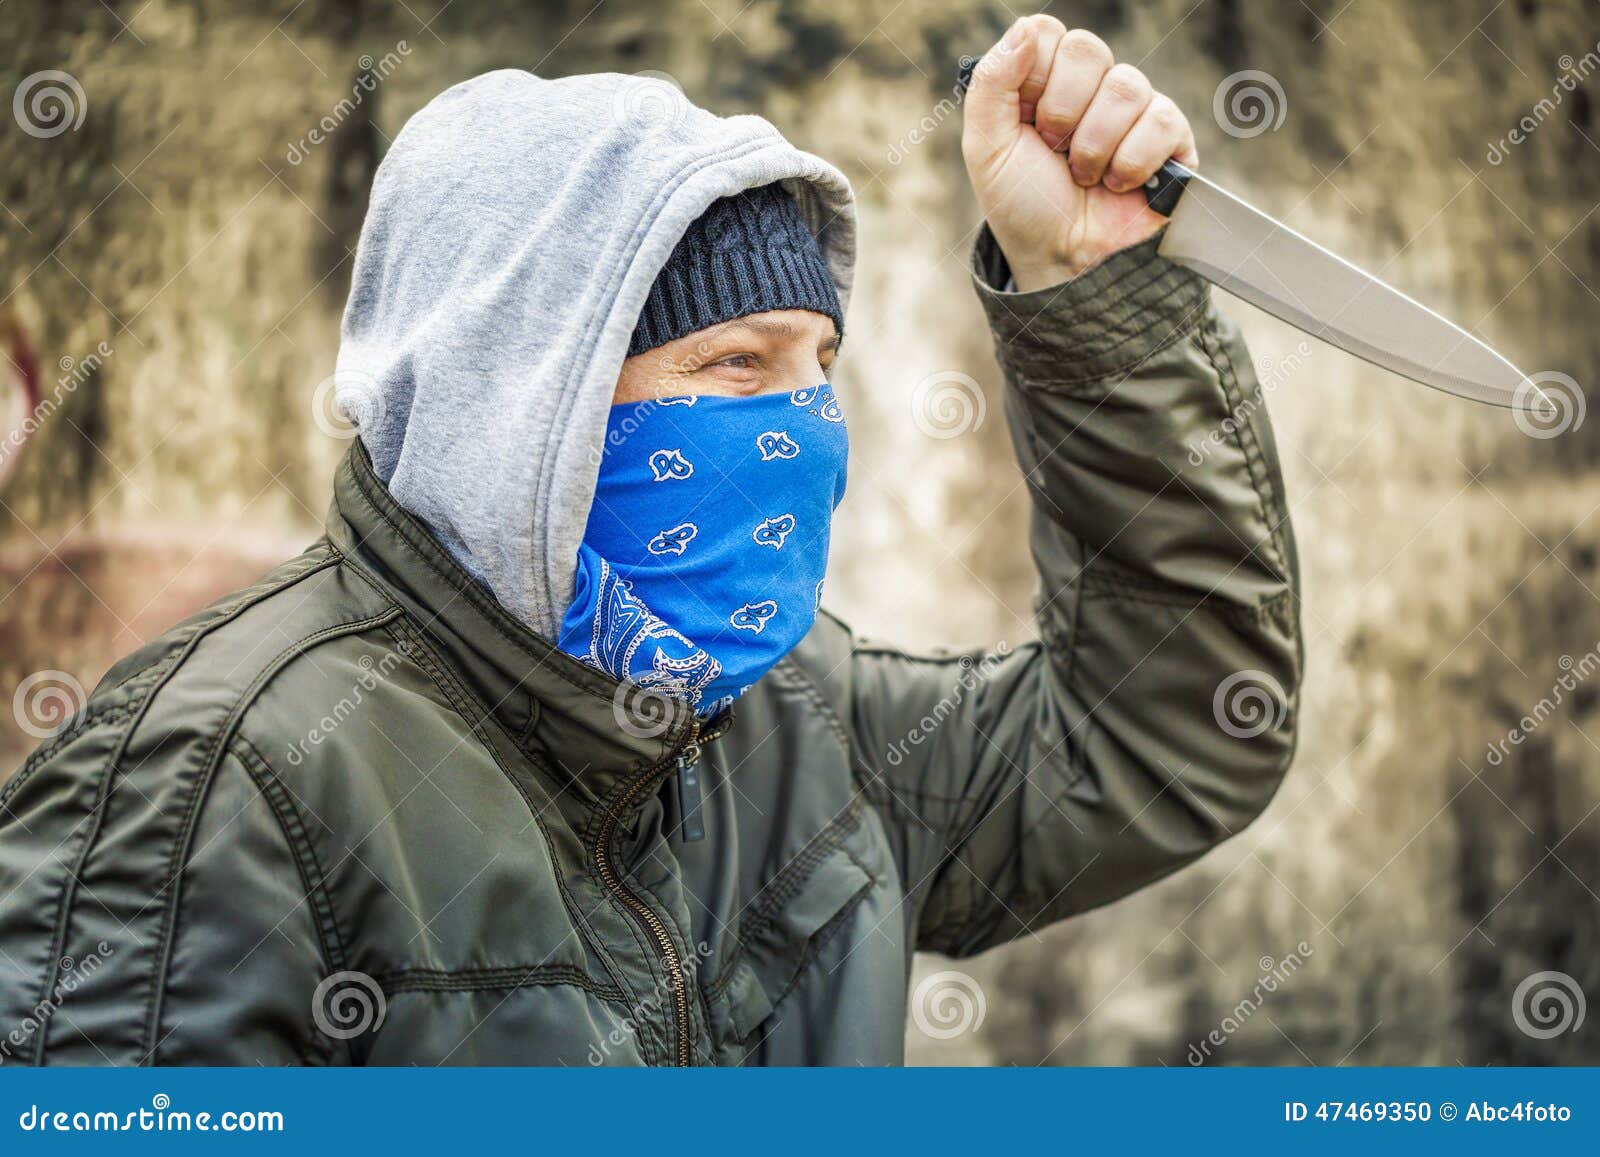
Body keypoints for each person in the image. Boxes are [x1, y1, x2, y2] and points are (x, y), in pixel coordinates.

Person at [0, 16, 1300, 1066]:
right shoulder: (219, 786)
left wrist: (1095, 292)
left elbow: (1167, 729)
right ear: (524, 401)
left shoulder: (800, 722)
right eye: (734, 364)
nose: (800, 423)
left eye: (818, 365)